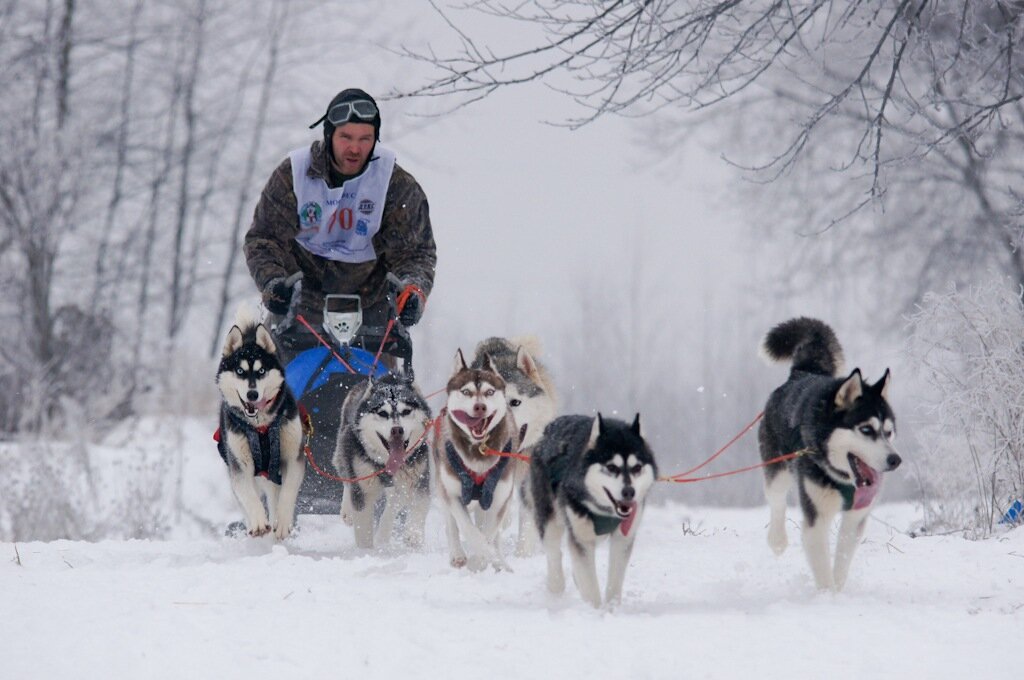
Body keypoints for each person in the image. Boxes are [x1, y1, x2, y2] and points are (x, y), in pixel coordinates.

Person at [244, 88, 436, 363]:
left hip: (371, 319)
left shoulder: (394, 185)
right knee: (280, 398)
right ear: (328, 135)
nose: (355, 149)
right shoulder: (294, 175)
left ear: (375, 139)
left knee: (376, 403)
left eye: (365, 139)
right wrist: (273, 282)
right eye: (346, 137)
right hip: (299, 315)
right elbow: (264, 239)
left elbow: (416, 252)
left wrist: (413, 289)